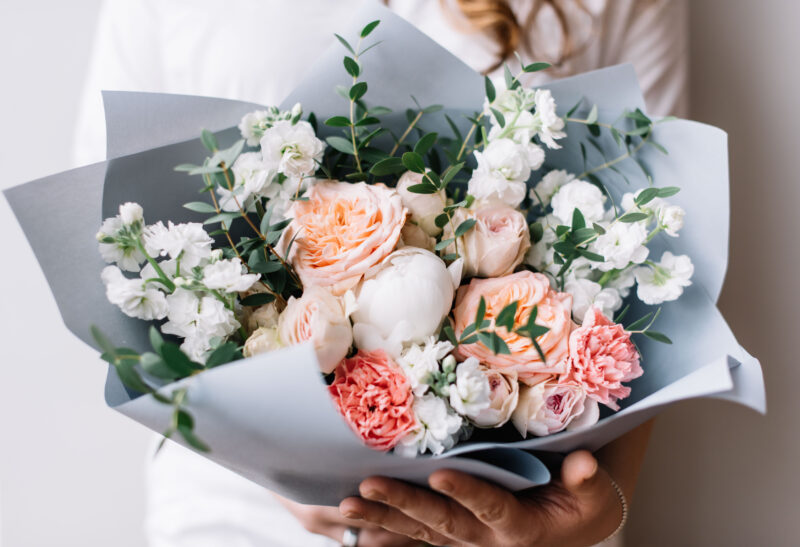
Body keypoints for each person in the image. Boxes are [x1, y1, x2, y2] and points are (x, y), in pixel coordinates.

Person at [75, 1, 688, 545]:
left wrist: (599, 508)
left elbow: (656, 246)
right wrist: (282, 470)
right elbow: (108, 247)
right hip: (236, 514)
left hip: (513, 520)